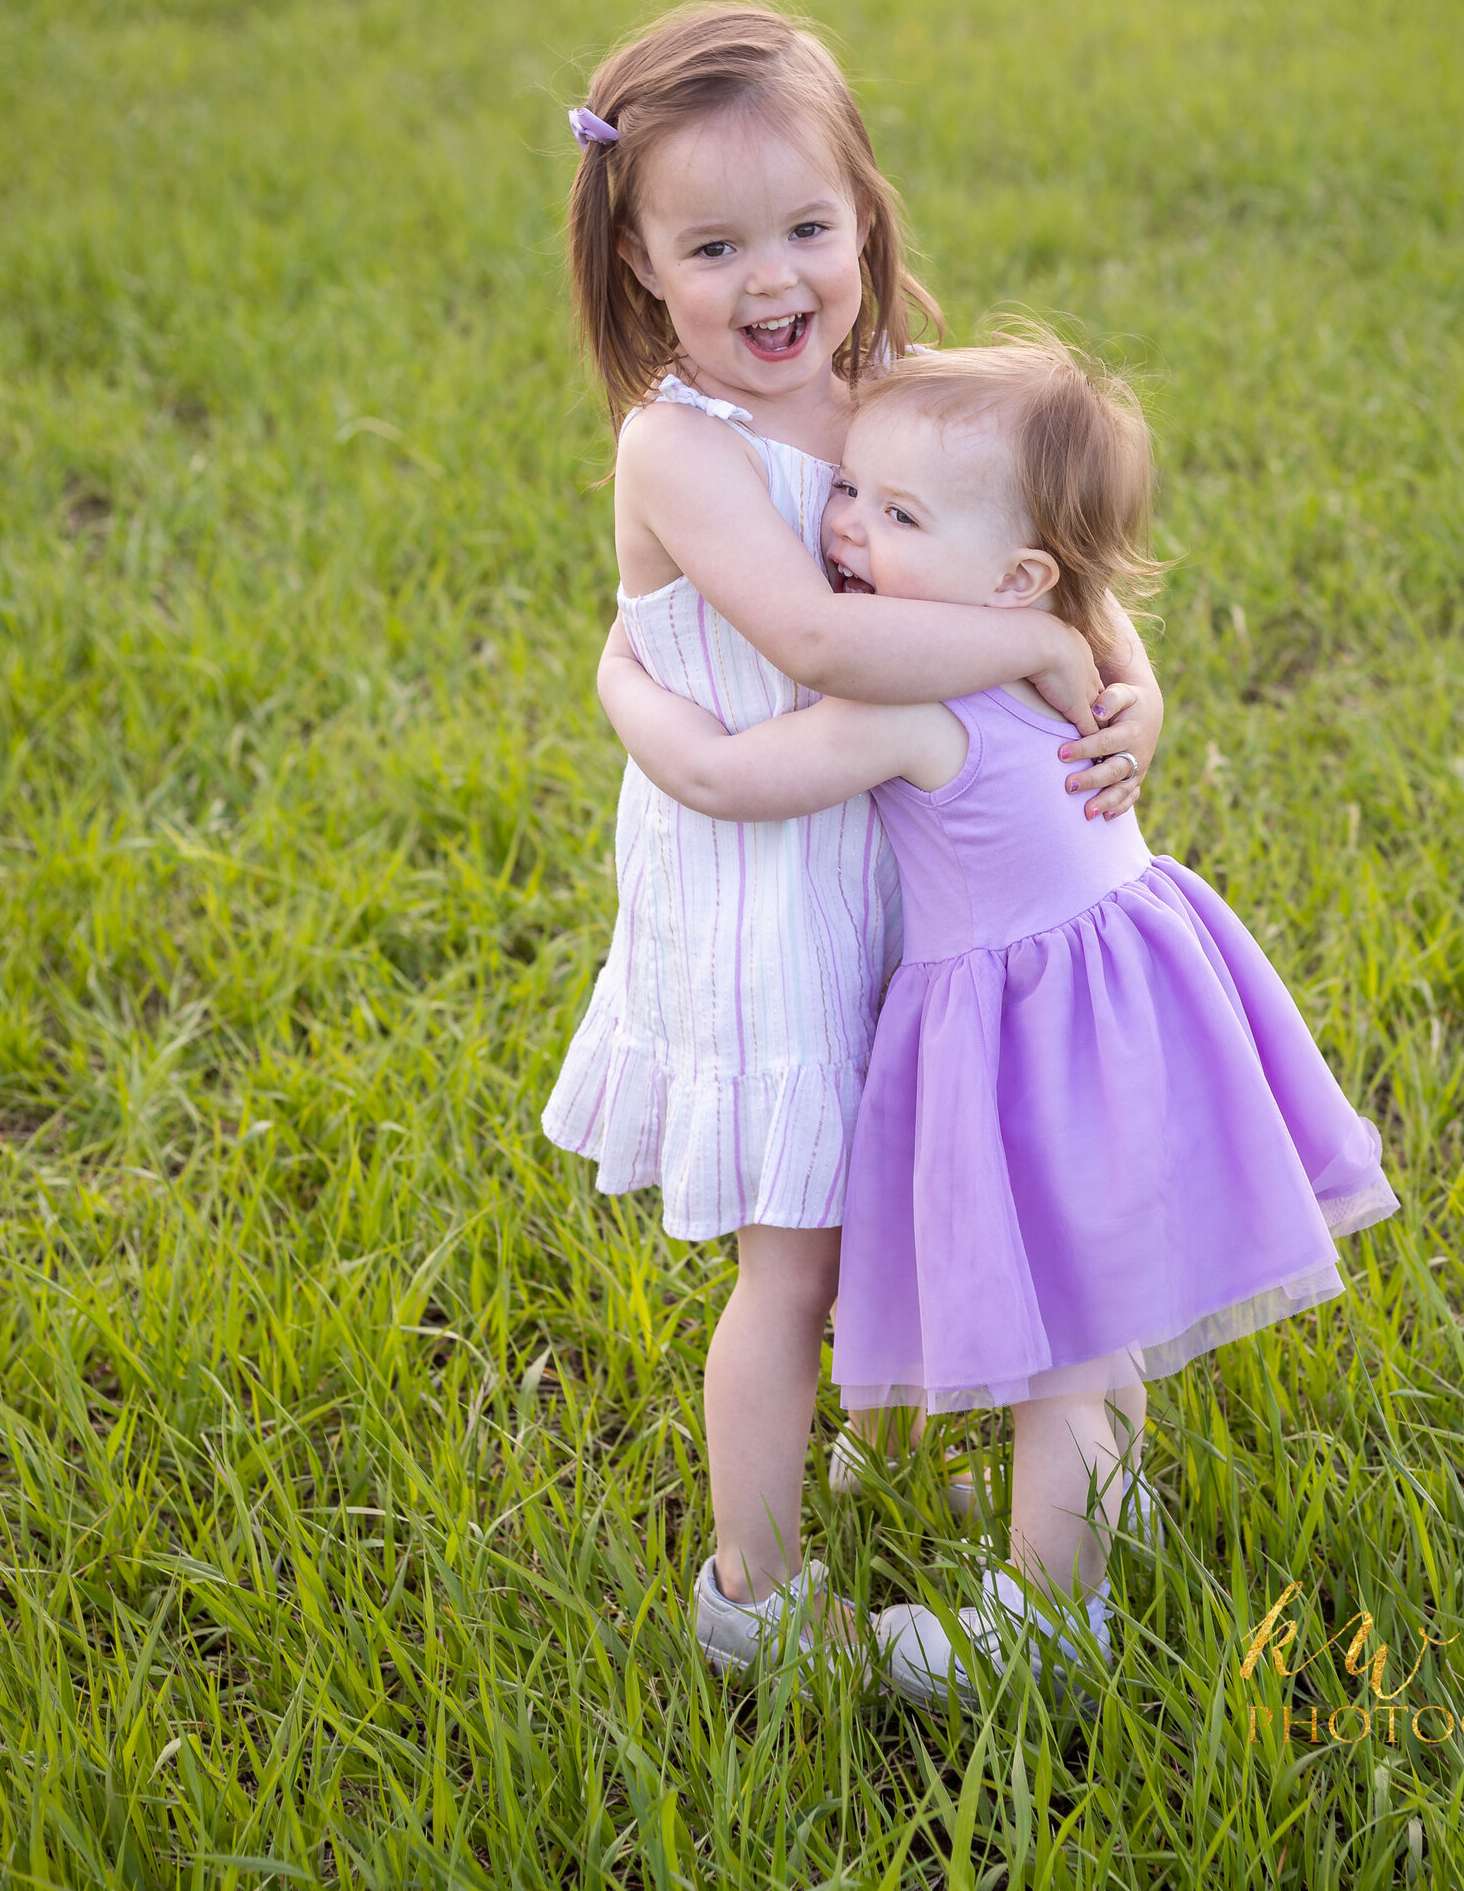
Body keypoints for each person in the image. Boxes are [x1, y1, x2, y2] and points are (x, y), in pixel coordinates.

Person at [597, 332, 1398, 1707]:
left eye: (894, 516)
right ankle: (1103, 1518)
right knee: (1099, 1313)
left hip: (1035, 1040)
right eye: (849, 490)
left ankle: (1046, 1621)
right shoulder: (1057, 666)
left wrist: (622, 677)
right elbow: (1092, 640)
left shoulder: (916, 703)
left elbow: (727, 781)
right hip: (1133, 1002)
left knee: (1062, 1366)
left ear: (1018, 579)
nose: (843, 526)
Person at [540, 1, 1166, 1676]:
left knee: (935, 1197)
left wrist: (1124, 676)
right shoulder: (675, 447)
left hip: (916, 884)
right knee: (796, 1263)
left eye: (808, 230)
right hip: (765, 897)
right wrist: (1032, 658)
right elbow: (816, 649)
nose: (774, 282)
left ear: (865, 226)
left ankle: (1014, 1487)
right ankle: (754, 1593)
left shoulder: (897, 399)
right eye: (716, 244)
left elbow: (1058, 555)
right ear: (639, 266)